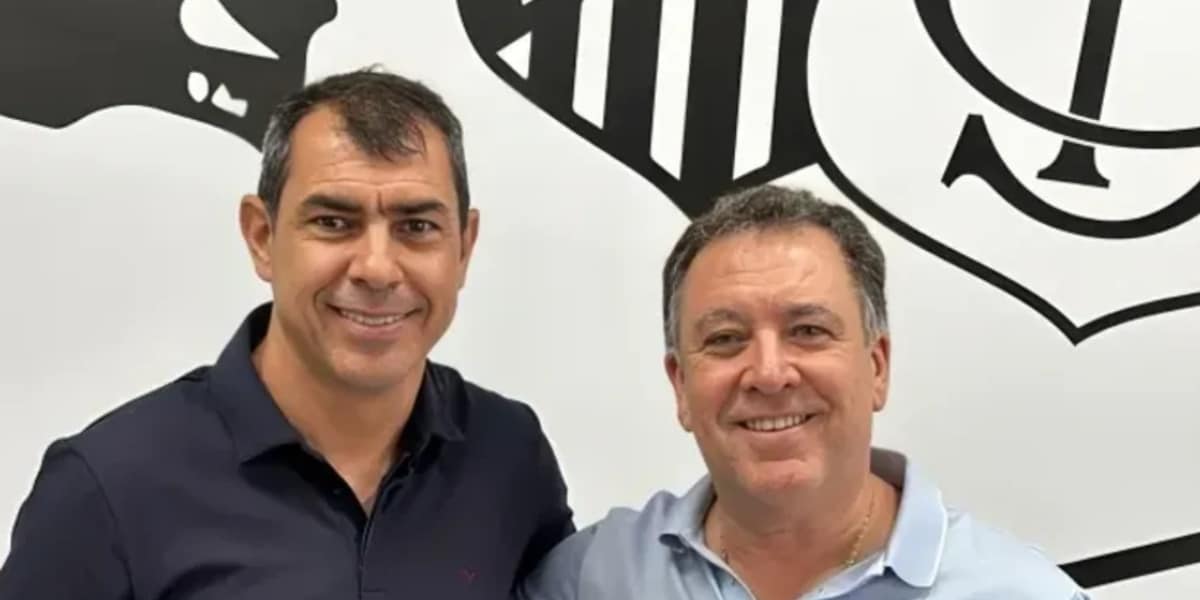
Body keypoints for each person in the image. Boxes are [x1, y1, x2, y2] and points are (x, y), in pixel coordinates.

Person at [0, 67, 573, 598]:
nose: (376, 267)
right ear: (261, 236)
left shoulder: (509, 454)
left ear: (464, 247)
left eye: (417, 226)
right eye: (333, 222)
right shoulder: (108, 486)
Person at [517, 184, 1089, 599]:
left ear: (878, 366)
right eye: (725, 338)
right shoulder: (590, 578)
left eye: (808, 331)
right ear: (681, 386)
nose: (768, 373)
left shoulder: (1021, 593)